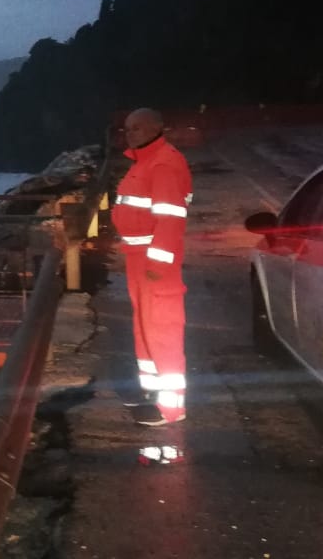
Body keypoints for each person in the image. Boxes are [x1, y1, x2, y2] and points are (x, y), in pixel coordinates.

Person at [110, 108, 193, 427]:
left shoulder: (164, 164)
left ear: (156, 129)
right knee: (144, 329)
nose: (130, 134)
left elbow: (171, 220)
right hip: (138, 257)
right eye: (127, 129)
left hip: (154, 262)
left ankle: (171, 408)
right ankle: (152, 393)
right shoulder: (144, 162)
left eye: (138, 129)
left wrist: (158, 265)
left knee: (162, 331)